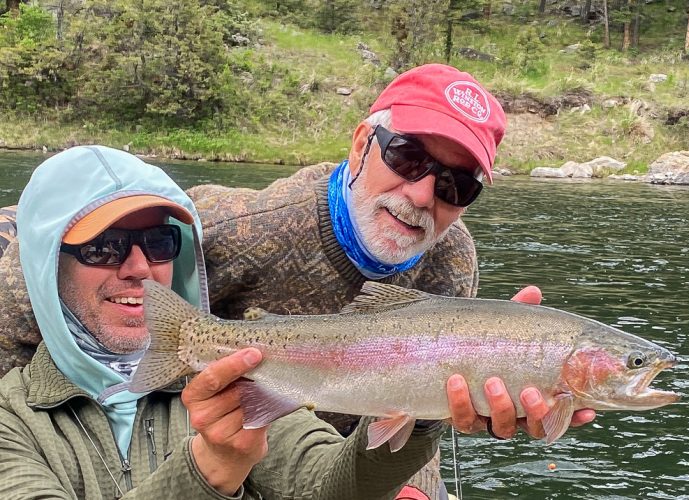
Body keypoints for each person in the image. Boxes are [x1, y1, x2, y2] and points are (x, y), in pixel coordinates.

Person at [186, 64, 596, 499]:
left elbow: (425, 404)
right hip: (232, 453)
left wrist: (413, 485)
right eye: (407, 158)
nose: (421, 196)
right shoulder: (230, 229)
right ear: (362, 144)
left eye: (454, 186)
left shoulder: (452, 257)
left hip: (372, 467)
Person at [0, 146, 446, 498]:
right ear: (48, 266)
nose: (138, 267)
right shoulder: (10, 420)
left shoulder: (231, 382)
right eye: (104, 247)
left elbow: (334, 487)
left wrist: (423, 402)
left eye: (159, 242)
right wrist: (209, 470)